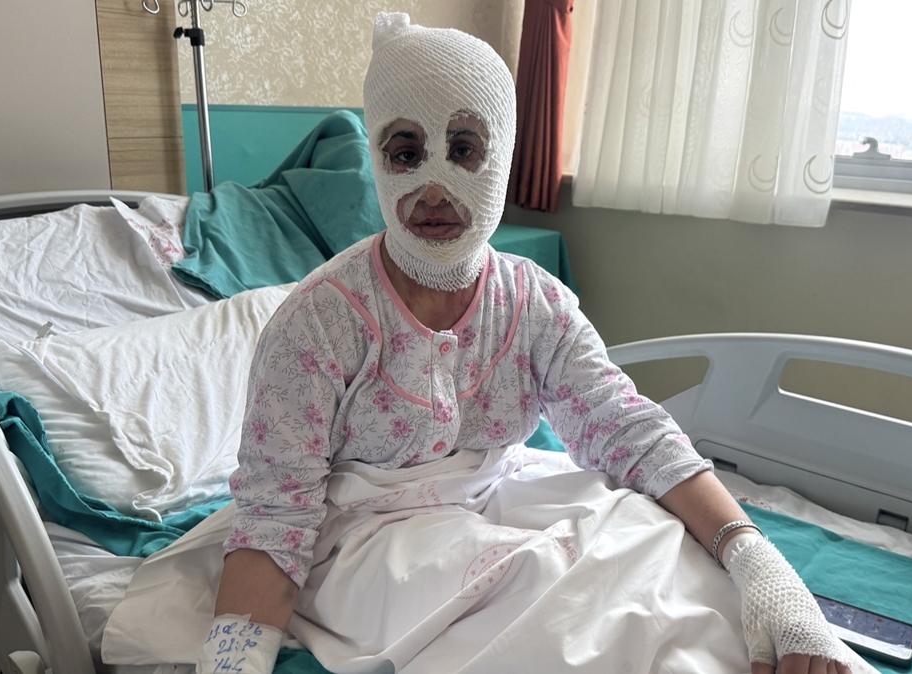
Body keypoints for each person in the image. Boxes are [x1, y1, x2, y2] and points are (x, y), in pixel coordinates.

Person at [198, 13, 866, 674]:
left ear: (503, 156)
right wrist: (233, 663)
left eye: (464, 149)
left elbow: (627, 429)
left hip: (495, 493)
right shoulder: (319, 322)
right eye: (406, 153)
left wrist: (759, 564)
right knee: (538, 585)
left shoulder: (532, 302)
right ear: (378, 158)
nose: (433, 188)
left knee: (655, 545)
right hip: (363, 537)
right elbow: (276, 517)